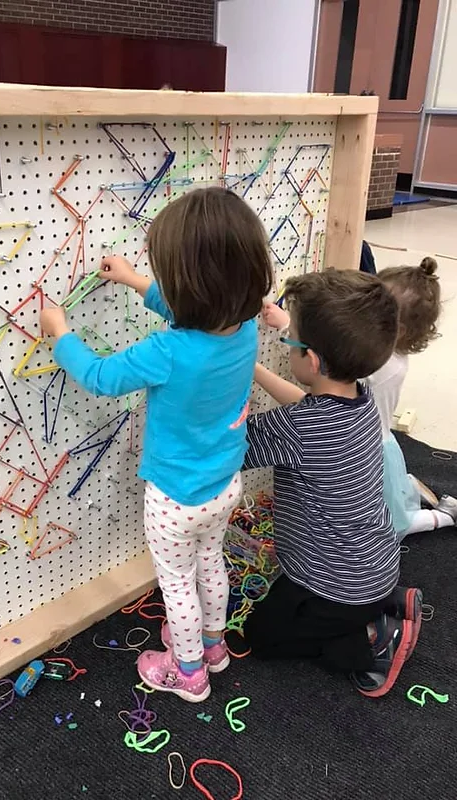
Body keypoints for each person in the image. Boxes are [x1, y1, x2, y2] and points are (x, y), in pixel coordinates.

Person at [40, 187, 273, 702]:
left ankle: (187, 672)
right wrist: (133, 280)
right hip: (224, 484)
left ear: (186, 287)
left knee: (177, 584)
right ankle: (213, 646)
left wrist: (60, 334)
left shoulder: (167, 350)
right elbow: (194, 309)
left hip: (175, 497)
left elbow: (101, 376)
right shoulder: (245, 329)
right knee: (210, 562)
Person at [243, 270, 422, 697]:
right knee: (290, 616)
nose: (285, 342)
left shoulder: (297, 429)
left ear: (312, 360)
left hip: (334, 587)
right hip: (371, 567)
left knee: (260, 638)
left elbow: (230, 449)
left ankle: (375, 640)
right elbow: (310, 407)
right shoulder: (361, 398)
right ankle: (384, 603)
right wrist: (252, 369)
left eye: (289, 340)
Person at [367, 257, 457, 538]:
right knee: (389, 499)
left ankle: (442, 516)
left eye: (370, 308)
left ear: (398, 329)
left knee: (392, 525)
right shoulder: (387, 353)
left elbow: (332, 369)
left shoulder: (381, 364)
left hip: (372, 453)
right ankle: (407, 489)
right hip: (377, 443)